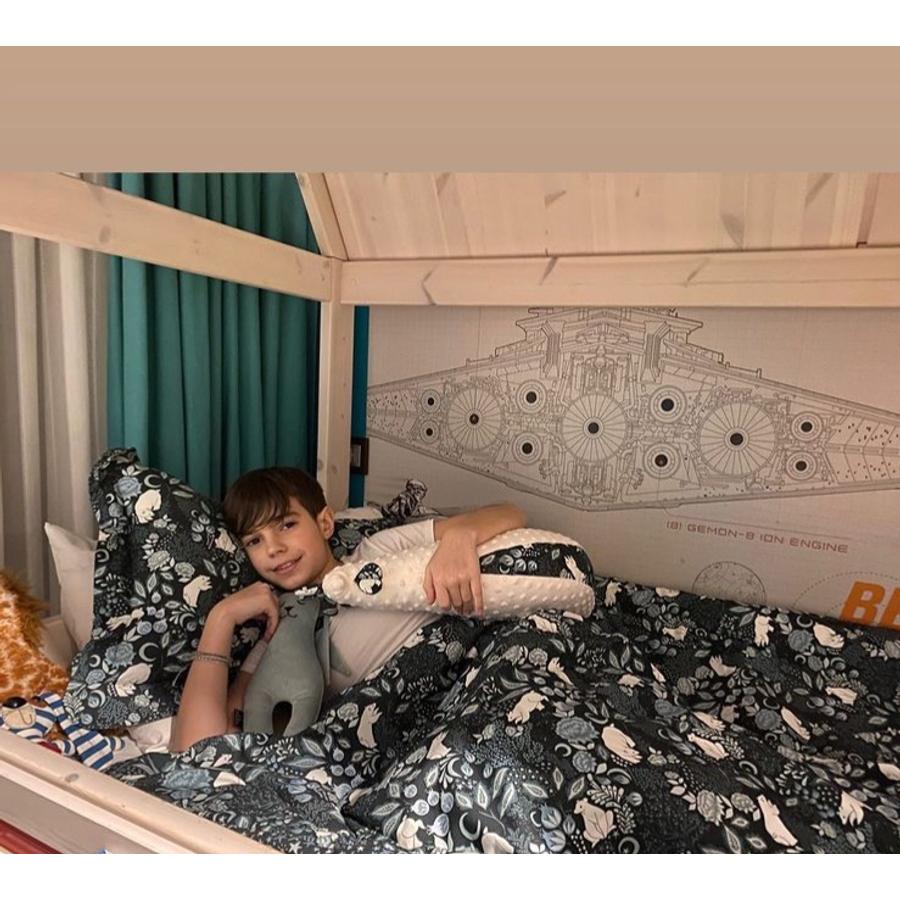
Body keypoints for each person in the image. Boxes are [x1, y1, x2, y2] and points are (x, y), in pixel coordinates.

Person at [170, 467, 525, 751]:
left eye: (287, 525)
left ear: (325, 523)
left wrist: (459, 537)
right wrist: (221, 619)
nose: (274, 548)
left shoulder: (376, 553)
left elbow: (510, 512)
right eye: (254, 540)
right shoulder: (278, 628)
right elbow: (196, 748)